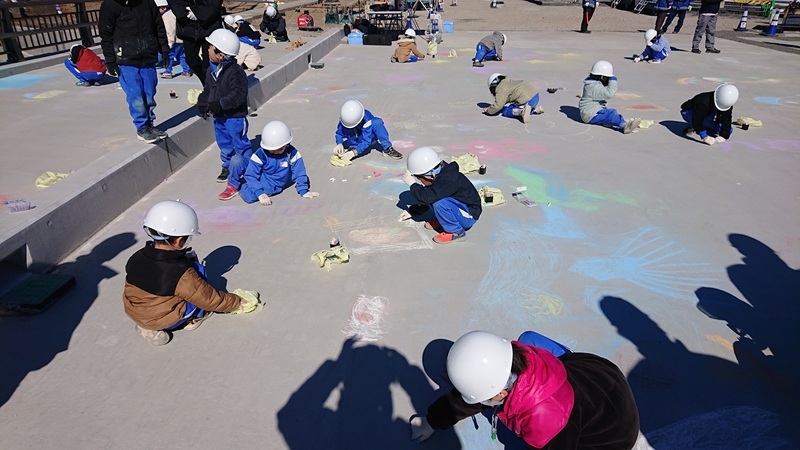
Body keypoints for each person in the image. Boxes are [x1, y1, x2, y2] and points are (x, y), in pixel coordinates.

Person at [409, 331, 640, 448]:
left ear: (498, 393)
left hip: (614, 436)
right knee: (529, 337)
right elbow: (470, 398)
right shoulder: (517, 355)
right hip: (598, 374)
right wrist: (433, 421)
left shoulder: (547, 421)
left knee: (524, 439)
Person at [124, 200, 255, 346]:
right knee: (199, 273)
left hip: (135, 311)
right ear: (180, 241)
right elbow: (209, 299)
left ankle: (146, 325)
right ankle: (191, 319)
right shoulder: (181, 274)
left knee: (179, 285)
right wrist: (236, 302)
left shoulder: (137, 256)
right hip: (165, 318)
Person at [99, 0, 170, 143]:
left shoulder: (147, 2)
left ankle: (150, 123)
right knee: (136, 95)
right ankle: (142, 127)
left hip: (148, 56)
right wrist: (110, 60)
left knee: (149, 94)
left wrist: (164, 49)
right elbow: (106, 35)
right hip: (125, 59)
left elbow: (158, 26)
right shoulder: (110, 5)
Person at [195, 29, 251, 200]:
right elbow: (209, 89)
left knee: (239, 143)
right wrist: (203, 102)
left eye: (211, 48)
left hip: (234, 117)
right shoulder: (213, 70)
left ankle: (245, 167)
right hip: (219, 117)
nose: (207, 50)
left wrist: (220, 104)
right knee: (224, 142)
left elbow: (238, 95)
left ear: (220, 54)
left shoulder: (236, 72)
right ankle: (227, 165)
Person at [402, 147, 481, 244]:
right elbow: (428, 196)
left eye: (419, 178)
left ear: (427, 175)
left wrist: (412, 185)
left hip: (469, 215)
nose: (420, 181)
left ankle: (456, 231)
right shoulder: (440, 177)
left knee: (438, 202)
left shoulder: (448, 181)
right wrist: (413, 212)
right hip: (460, 209)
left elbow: (428, 197)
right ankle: (444, 220)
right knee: (430, 193)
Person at [239, 121, 320, 206]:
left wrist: (303, 190)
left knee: (270, 189)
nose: (276, 152)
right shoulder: (260, 155)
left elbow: (299, 171)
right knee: (250, 196)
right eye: (272, 150)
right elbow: (251, 175)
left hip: (282, 179)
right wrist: (260, 193)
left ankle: (254, 185)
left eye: (280, 149)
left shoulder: (292, 153)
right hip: (266, 180)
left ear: (287, 144)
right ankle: (241, 184)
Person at [168, 0, 222, 86]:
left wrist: (198, 12)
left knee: (210, 62)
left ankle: (214, 87)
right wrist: (184, 12)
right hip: (188, 27)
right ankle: (207, 84)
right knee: (191, 61)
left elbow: (214, 3)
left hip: (209, 27)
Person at [579, 60, 641, 134]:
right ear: (602, 77)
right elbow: (609, 93)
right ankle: (625, 125)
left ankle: (608, 122)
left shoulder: (592, 84)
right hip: (591, 115)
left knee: (606, 114)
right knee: (611, 114)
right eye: (607, 78)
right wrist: (613, 80)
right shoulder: (594, 87)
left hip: (591, 113)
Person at [333, 100, 403, 161]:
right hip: (355, 142)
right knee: (351, 135)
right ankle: (353, 147)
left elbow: (367, 141)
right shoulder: (345, 119)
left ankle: (387, 148)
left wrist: (354, 152)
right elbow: (339, 134)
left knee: (377, 122)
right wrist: (339, 143)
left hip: (370, 138)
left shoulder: (367, 119)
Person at [156, 0, 190, 79]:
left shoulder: (168, 16)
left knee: (170, 56)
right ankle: (186, 70)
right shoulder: (173, 13)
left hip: (173, 40)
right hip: (180, 39)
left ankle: (168, 71)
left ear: (163, 8)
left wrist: (169, 43)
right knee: (181, 56)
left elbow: (170, 30)